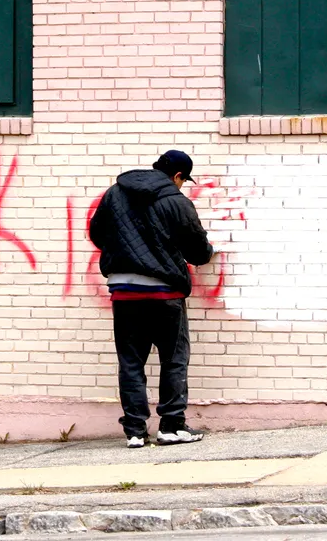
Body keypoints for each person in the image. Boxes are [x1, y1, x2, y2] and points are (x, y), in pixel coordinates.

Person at [88, 150, 215, 448]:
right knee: (173, 359)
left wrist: (124, 252)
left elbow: (96, 233)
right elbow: (197, 251)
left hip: (124, 290)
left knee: (131, 362)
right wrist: (207, 253)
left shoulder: (114, 193)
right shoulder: (176, 201)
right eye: (184, 180)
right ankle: (171, 426)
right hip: (164, 292)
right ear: (178, 176)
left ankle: (134, 431)